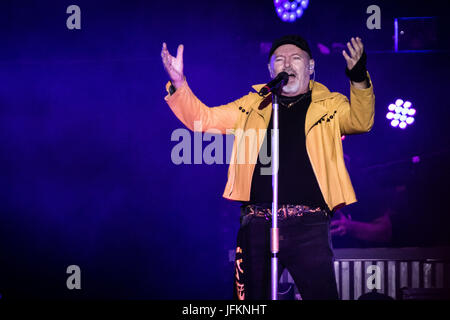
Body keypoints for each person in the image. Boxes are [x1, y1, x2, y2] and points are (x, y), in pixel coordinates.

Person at [161, 34, 375, 300]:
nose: (287, 64)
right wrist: (180, 84)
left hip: (309, 225)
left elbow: (361, 120)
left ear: (310, 67)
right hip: (258, 224)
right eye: (279, 60)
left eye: (296, 58)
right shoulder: (251, 106)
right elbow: (203, 119)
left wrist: (358, 78)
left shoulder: (330, 104)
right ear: (270, 70)